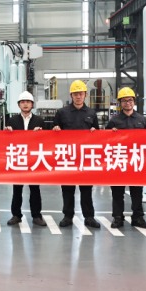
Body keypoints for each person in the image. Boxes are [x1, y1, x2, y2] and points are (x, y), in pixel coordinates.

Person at [53, 80, 100, 229]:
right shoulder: (62, 113)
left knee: (86, 189)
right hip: (68, 157)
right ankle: (68, 216)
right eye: (75, 94)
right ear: (71, 95)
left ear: (85, 95)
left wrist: (95, 132)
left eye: (80, 93)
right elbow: (53, 133)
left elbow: (97, 134)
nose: (78, 96)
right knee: (67, 189)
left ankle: (89, 217)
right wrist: (55, 130)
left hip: (85, 158)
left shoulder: (91, 113)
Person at [105, 87, 146, 229]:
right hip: (119, 161)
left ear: (134, 101)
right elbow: (105, 140)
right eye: (124, 101)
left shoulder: (142, 120)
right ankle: (118, 218)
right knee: (117, 192)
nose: (128, 103)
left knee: (137, 192)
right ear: (120, 103)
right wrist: (110, 133)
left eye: (130, 100)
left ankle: (138, 217)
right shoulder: (114, 121)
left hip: (136, 161)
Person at [5, 91, 45, 227]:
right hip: (19, 158)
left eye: (28, 102)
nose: (25, 104)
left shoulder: (39, 121)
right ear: (19, 105)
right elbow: (7, 140)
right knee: (17, 189)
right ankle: (16, 215)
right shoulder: (12, 121)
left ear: (32, 104)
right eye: (23, 102)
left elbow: (47, 140)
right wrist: (7, 132)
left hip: (34, 159)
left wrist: (41, 133)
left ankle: (36, 215)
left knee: (35, 189)